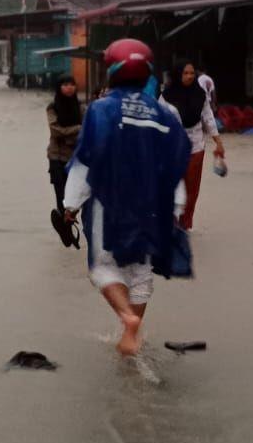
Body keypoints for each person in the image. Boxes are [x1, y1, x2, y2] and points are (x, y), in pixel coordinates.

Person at [63, 38, 191, 356]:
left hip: (112, 203)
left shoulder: (101, 109)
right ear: (148, 70)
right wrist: (177, 204)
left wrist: (70, 204)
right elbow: (174, 162)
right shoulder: (165, 112)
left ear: (113, 70)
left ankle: (128, 319)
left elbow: (86, 159)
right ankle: (132, 333)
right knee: (141, 271)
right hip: (155, 204)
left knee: (103, 267)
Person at [162, 61, 225, 230]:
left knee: (192, 188)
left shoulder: (200, 94)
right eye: (185, 73)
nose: (189, 76)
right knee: (171, 185)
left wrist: (218, 142)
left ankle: (185, 223)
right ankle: (170, 221)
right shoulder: (166, 96)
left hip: (195, 145)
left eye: (192, 73)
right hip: (172, 147)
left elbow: (208, 117)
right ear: (178, 74)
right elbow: (158, 120)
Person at [46, 74, 82, 213]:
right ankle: (64, 228)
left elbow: (87, 129)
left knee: (75, 198)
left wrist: (69, 132)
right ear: (59, 88)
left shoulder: (80, 107)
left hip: (75, 157)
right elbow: (55, 131)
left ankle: (71, 227)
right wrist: (77, 129)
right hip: (57, 157)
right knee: (61, 197)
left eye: (72, 85)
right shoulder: (53, 107)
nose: (69, 88)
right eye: (65, 85)